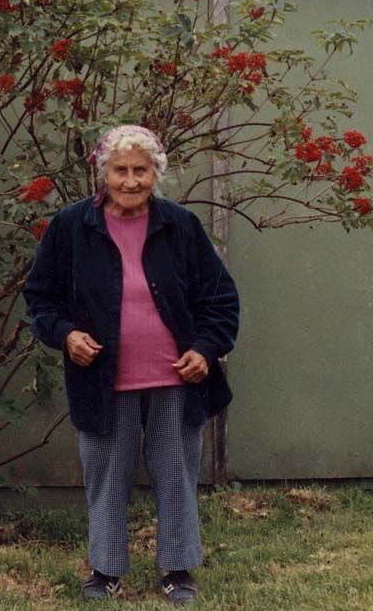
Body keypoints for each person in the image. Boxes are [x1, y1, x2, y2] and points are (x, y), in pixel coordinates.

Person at [22, 124, 240, 605]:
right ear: (104, 174)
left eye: (140, 170)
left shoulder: (180, 226)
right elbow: (41, 298)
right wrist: (65, 335)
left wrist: (205, 348)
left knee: (177, 475)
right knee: (106, 475)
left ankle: (178, 570)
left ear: (155, 173)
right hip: (102, 377)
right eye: (120, 170)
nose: (130, 180)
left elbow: (220, 298)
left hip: (176, 377)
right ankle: (106, 570)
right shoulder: (72, 226)